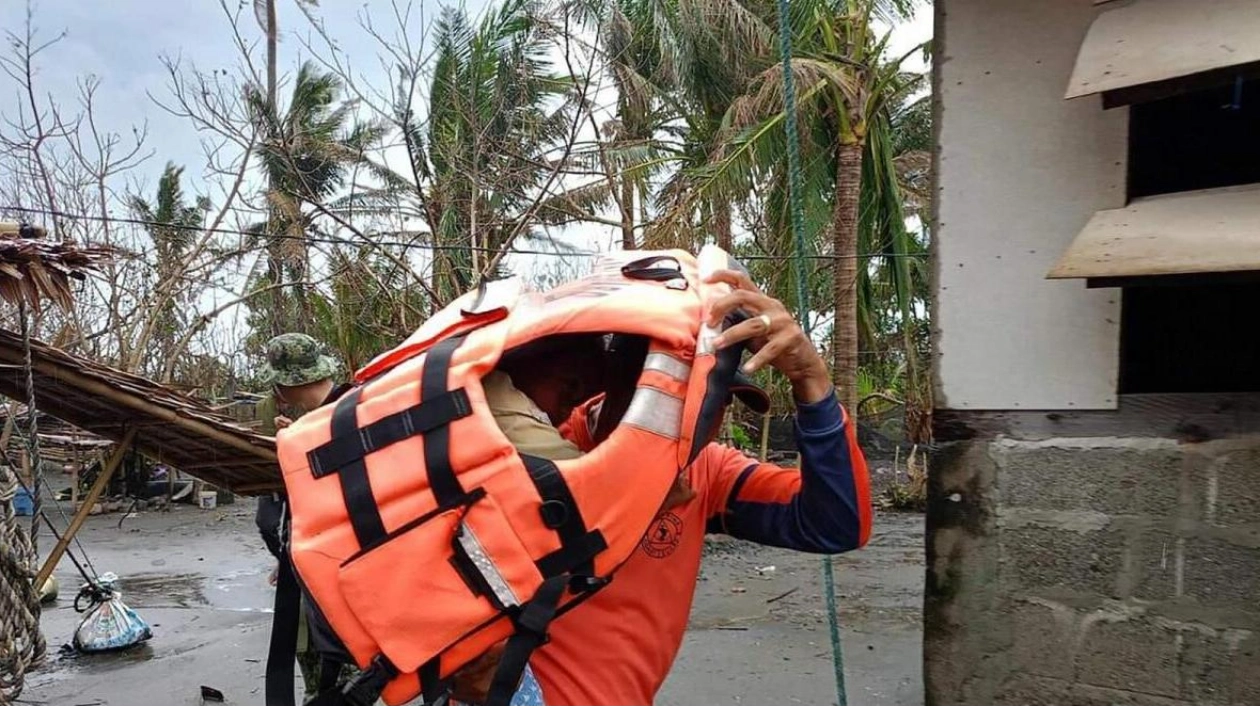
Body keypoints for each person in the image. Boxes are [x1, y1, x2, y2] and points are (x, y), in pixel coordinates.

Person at [483, 268, 873, 706]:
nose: (702, 420)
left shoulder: (706, 473)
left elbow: (836, 524)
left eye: (717, 400)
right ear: (630, 378)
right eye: (687, 394)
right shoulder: (535, 445)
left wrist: (812, 383)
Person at [253, 333, 354, 706]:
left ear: (286, 383)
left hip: (331, 588)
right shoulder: (354, 410)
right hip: (337, 577)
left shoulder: (316, 431)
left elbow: (271, 517)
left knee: (335, 686)